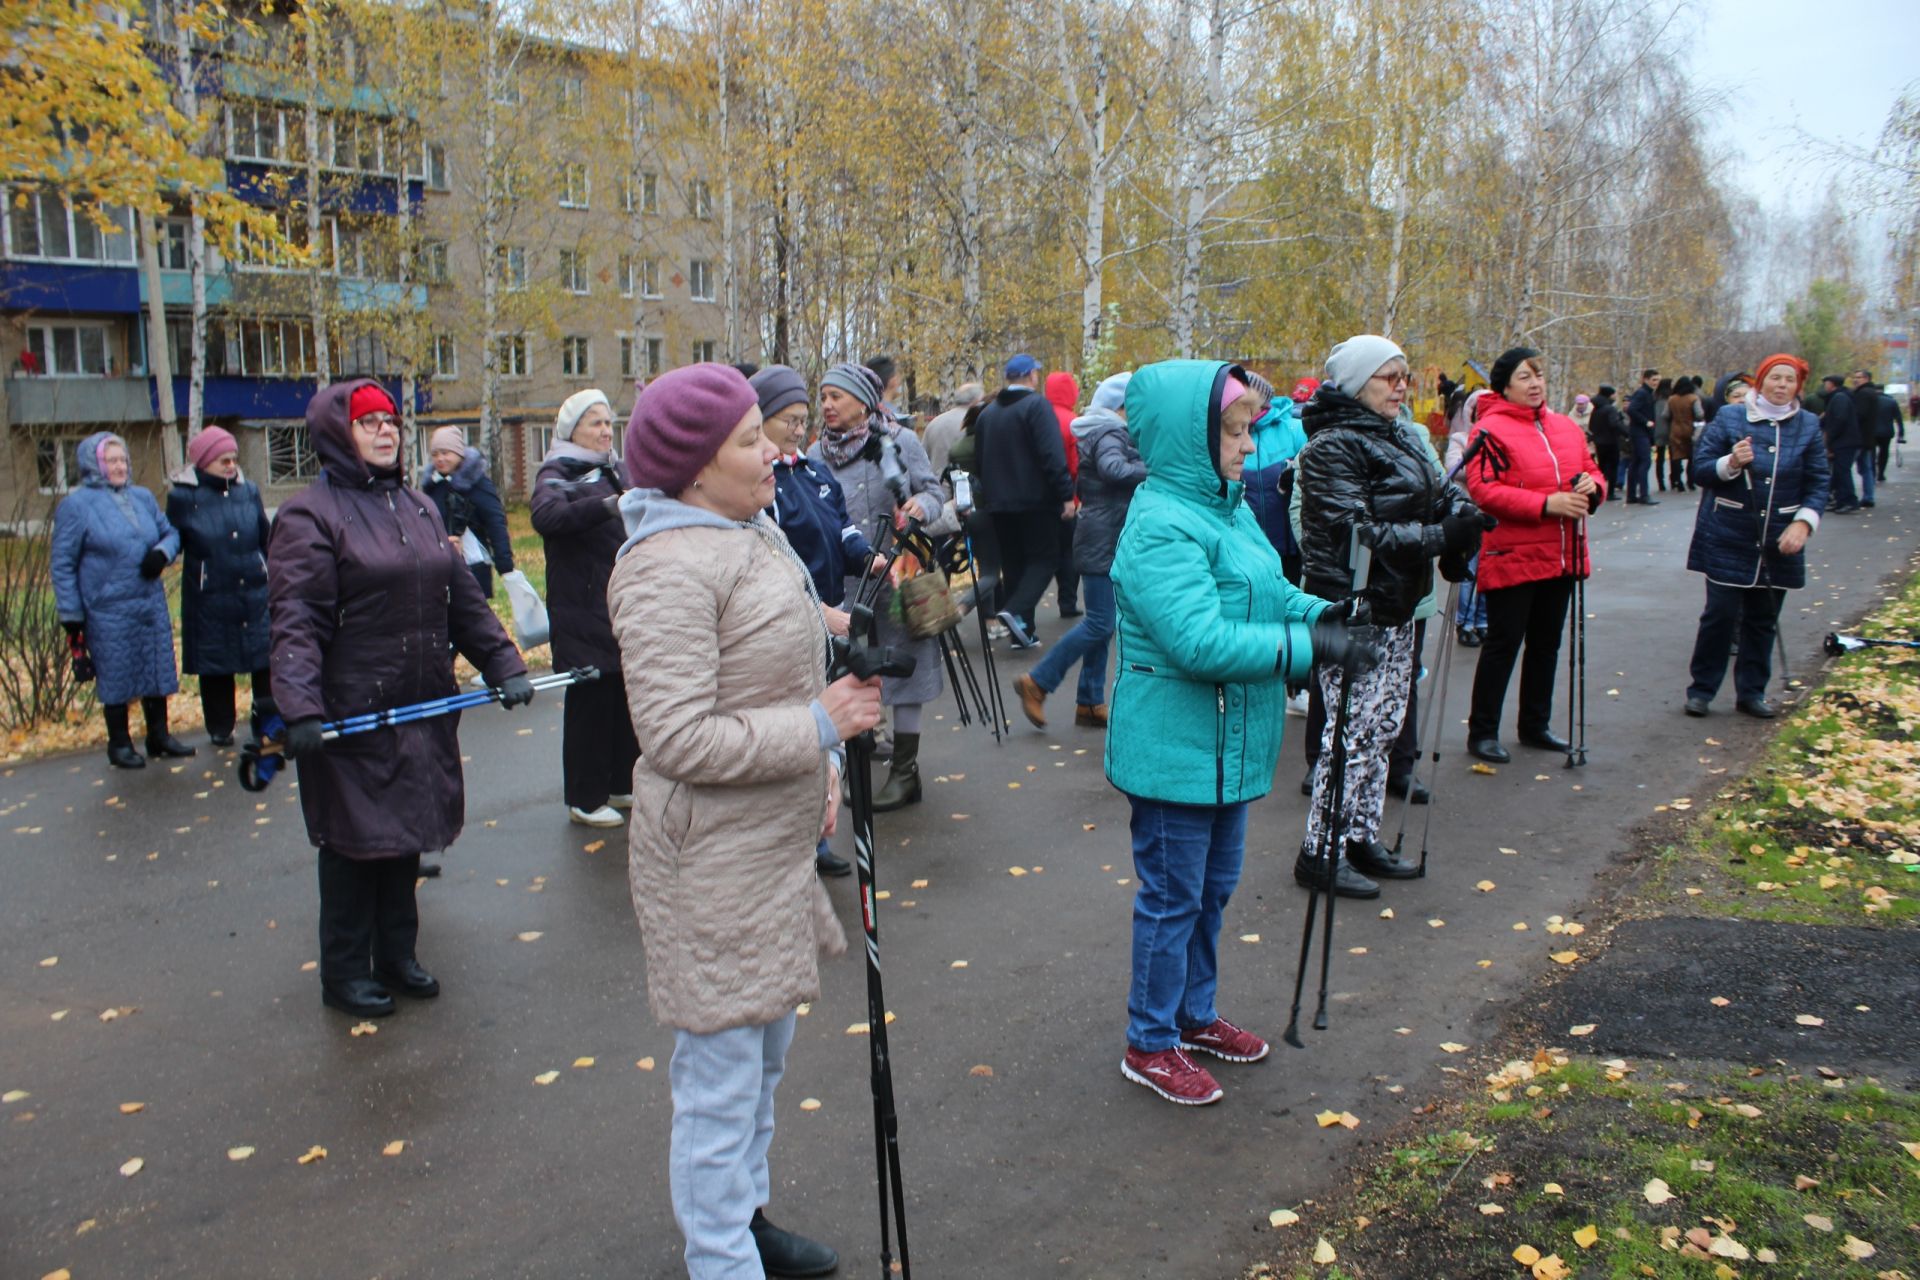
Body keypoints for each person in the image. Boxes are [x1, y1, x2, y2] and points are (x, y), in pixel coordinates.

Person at [609, 362, 880, 1280]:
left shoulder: (746, 530)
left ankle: (745, 1222)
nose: (774, 450)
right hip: (710, 862)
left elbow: (786, 662)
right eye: (749, 441)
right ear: (692, 468)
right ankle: (721, 1262)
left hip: (772, 848)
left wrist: (835, 708)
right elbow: (677, 736)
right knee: (719, 1087)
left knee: (762, 1067)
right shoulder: (664, 565)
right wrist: (818, 727)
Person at [1105, 358, 1377, 1107]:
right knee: (1172, 896)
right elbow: (1200, 642)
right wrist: (1308, 650)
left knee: (1212, 890)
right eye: (1232, 433)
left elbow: (1268, 584)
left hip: (1223, 743)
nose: (1248, 448)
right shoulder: (1161, 524)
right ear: (1190, 438)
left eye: (1248, 430)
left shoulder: (1225, 507)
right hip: (1175, 747)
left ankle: (1192, 1014)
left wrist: (1318, 612)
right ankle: (1150, 1040)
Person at [269, 381, 532, 1018]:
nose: (386, 432)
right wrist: (300, 709)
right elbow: (295, 619)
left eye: (390, 421)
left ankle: (396, 955)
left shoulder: (418, 506)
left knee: (404, 835)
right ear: (339, 433)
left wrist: (503, 663)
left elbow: (459, 600)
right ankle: (344, 973)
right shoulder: (311, 515)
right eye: (368, 423)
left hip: (420, 704)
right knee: (355, 844)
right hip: (351, 710)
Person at [1294, 336, 1482, 898]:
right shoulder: (1331, 447)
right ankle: (1319, 852)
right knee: (1348, 734)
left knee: (1381, 728)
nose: (1402, 385)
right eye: (1388, 376)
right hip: (1354, 610)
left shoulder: (1397, 434)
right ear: (1355, 383)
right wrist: (1438, 537)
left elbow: (1437, 491)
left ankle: (1359, 836)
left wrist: (1462, 513)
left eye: (1404, 375)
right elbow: (1357, 532)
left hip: (1399, 605)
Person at [754, 363, 884, 876]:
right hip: (798, 620)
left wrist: (866, 557)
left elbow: (843, 530)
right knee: (806, 727)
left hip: (830, 617)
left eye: (800, 417)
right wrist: (817, 612)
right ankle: (797, 841)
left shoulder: (813, 471)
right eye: (785, 418)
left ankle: (816, 837)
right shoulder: (768, 485)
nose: (797, 427)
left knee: (829, 735)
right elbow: (775, 557)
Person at [810, 361, 946, 811]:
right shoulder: (814, 457)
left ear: (864, 402)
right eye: (824, 396)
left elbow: (934, 493)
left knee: (907, 669)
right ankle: (856, 759)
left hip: (901, 576)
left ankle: (906, 773)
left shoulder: (901, 441)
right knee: (853, 668)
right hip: (846, 583)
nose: (827, 405)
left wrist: (920, 508)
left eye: (837, 396)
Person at [1462, 347, 1605, 763]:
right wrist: (1547, 504)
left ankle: (1535, 725)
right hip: (1513, 552)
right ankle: (1483, 731)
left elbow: (1591, 471)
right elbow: (1484, 489)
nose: (1535, 383)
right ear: (1504, 386)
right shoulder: (1488, 430)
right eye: (1524, 377)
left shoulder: (1565, 427)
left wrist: (1592, 488)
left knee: (1547, 643)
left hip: (1562, 553)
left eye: (1538, 375)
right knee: (1504, 643)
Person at [1683, 353, 1829, 719]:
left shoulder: (1807, 425)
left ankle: (1751, 692)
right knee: (1719, 615)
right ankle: (1701, 690)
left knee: (1763, 618)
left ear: (1799, 386)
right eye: (1774, 378)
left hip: (1779, 537)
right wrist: (1731, 463)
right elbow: (1700, 469)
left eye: (1790, 379)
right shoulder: (1731, 416)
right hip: (1728, 534)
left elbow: (1818, 481)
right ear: (1761, 381)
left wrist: (1803, 523)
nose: (1781, 385)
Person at [531, 388, 641, 829]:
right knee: (590, 703)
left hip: (619, 604)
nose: (604, 430)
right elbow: (547, 517)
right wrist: (605, 506)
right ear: (571, 429)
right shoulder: (557, 472)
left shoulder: (614, 469)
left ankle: (619, 781)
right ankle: (585, 796)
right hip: (581, 606)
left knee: (622, 696)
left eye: (608, 421)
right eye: (595, 422)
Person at [51, 431, 193, 768]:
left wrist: (162, 553)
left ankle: (159, 736)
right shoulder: (76, 506)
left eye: (122, 459)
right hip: (107, 607)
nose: (119, 466)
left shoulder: (142, 497)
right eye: (111, 460)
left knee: (157, 667)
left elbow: (171, 533)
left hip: (148, 601)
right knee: (116, 673)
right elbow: (63, 563)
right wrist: (71, 613)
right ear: (95, 465)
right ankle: (119, 744)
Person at [1012, 371, 1142, 729]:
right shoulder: (1110, 432)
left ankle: (1089, 701)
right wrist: (1156, 469)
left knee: (1103, 622)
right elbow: (1114, 469)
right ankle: (1038, 682)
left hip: (1104, 534)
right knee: (1101, 621)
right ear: (1119, 408)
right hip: (1102, 535)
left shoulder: (1106, 431)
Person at [167, 426, 272, 747]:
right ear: (203, 462)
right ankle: (220, 728)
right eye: (222, 460)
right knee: (216, 663)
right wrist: (160, 554)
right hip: (209, 595)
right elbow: (172, 536)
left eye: (233, 459)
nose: (230, 465)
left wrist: (276, 565)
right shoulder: (183, 497)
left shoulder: (248, 490)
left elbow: (265, 535)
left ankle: (269, 723)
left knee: (264, 659)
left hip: (253, 589)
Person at [974, 353, 1074, 648]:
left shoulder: (987, 413)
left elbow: (979, 461)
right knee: (1046, 559)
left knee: (1014, 564)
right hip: (1035, 501)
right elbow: (1052, 456)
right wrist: (1066, 495)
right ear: (1031, 376)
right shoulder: (1036, 406)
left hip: (998, 503)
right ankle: (1015, 611)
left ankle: (1024, 631)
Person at [423, 427, 515, 598]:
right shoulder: (432, 487)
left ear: (459, 452)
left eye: (445, 453)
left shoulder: (478, 484)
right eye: (435, 454)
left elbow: (495, 521)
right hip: (439, 566)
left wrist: (504, 563)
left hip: (473, 564)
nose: (440, 459)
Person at [1044, 369, 1084, 619]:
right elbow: (1075, 464)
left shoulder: (1039, 416)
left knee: (1041, 553)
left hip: (1038, 497)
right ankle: (1067, 602)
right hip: (1067, 496)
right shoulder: (1074, 421)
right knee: (1069, 552)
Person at [1817, 376, 1861, 513]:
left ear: (1831, 384)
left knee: (1843, 471)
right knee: (1839, 472)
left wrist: (1830, 438)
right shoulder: (1840, 397)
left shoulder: (1839, 398)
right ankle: (1841, 500)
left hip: (1844, 441)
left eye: (1826, 383)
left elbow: (1838, 420)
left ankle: (1849, 501)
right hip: (1845, 441)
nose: (1825, 386)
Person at [922, 381, 985, 477]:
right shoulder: (976, 422)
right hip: (968, 486)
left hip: (938, 485)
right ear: (977, 400)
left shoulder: (934, 423)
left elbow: (923, 458)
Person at [1624, 368, 1659, 504]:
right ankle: (1644, 495)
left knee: (1636, 463)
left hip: (1641, 432)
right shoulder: (1642, 393)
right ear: (1646, 380)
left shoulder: (1647, 393)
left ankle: (1632, 495)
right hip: (1639, 432)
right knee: (1645, 461)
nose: (1656, 383)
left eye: (1657, 380)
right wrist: (1646, 421)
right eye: (1653, 380)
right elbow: (1631, 409)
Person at [1588, 384, 1625, 503]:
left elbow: (1591, 425)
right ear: (1609, 395)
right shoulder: (1610, 409)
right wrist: (1626, 432)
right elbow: (1614, 424)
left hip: (1599, 442)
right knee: (1613, 467)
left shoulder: (1595, 408)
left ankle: (1598, 490)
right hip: (1611, 441)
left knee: (1601, 467)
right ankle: (1610, 493)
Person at [1667, 376, 1701, 492]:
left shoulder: (1672, 399)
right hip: (1689, 429)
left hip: (1675, 429)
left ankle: (1678, 482)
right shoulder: (1693, 398)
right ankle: (1690, 481)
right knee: (1691, 457)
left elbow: (1665, 415)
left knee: (1676, 457)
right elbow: (1699, 414)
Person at [1651, 376, 1675, 492]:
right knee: (1673, 456)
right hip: (1670, 430)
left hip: (1657, 430)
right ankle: (1673, 479)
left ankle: (1661, 482)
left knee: (1659, 458)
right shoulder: (1671, 398)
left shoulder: (1654, 398)